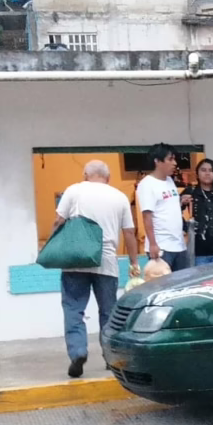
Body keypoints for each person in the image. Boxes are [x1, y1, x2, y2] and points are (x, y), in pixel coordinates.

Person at [52, 160, 141, 378]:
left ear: (85, 175)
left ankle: (78, 352)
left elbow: (58, 221)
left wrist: (55, 247)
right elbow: (129, 233)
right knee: (108, 312)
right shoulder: (119, 197)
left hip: (76, 260)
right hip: (107, 262)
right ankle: (110, 357)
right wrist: (134, 263)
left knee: (73, 308)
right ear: (108, 178)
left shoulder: (74, 190)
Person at [136, 143, 189, 272]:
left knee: (182, 282)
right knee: (163, 283)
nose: (175, 163)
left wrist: (181, 202)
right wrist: (153, 244)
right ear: (157, 161)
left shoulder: (170, 181)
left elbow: (167, 207)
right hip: (162, 247)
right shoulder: (147, 184)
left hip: (179, 245)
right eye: (170, 159)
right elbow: (147, 216)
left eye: (174, 159)